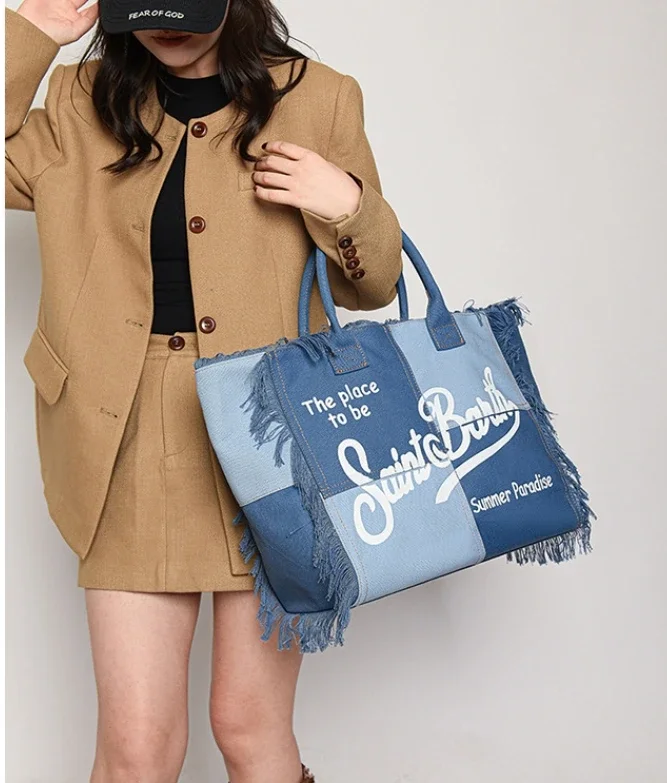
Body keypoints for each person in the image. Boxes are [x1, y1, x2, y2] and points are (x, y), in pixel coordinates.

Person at [5, 0, 403, 778]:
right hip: (124, 433)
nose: (170, 25)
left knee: (248, 727)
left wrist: (347, 205)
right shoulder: (80, 100)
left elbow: (376, 283)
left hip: (277, 436)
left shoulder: (319, 96)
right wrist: (30, 40)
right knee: (137, 748)